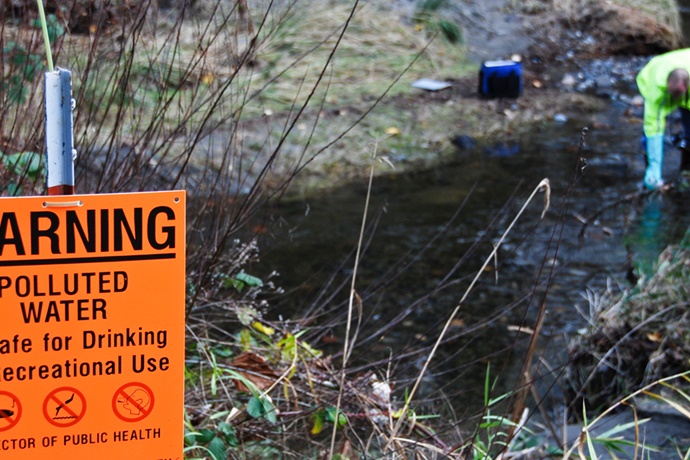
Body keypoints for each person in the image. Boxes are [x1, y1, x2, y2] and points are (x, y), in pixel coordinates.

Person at [636, 48, 690, 189]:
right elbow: (653, 126)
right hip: (657, 77)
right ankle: (651, 170)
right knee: (650, 136)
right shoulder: (655, 89)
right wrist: (655, 168)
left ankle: (687, 167)